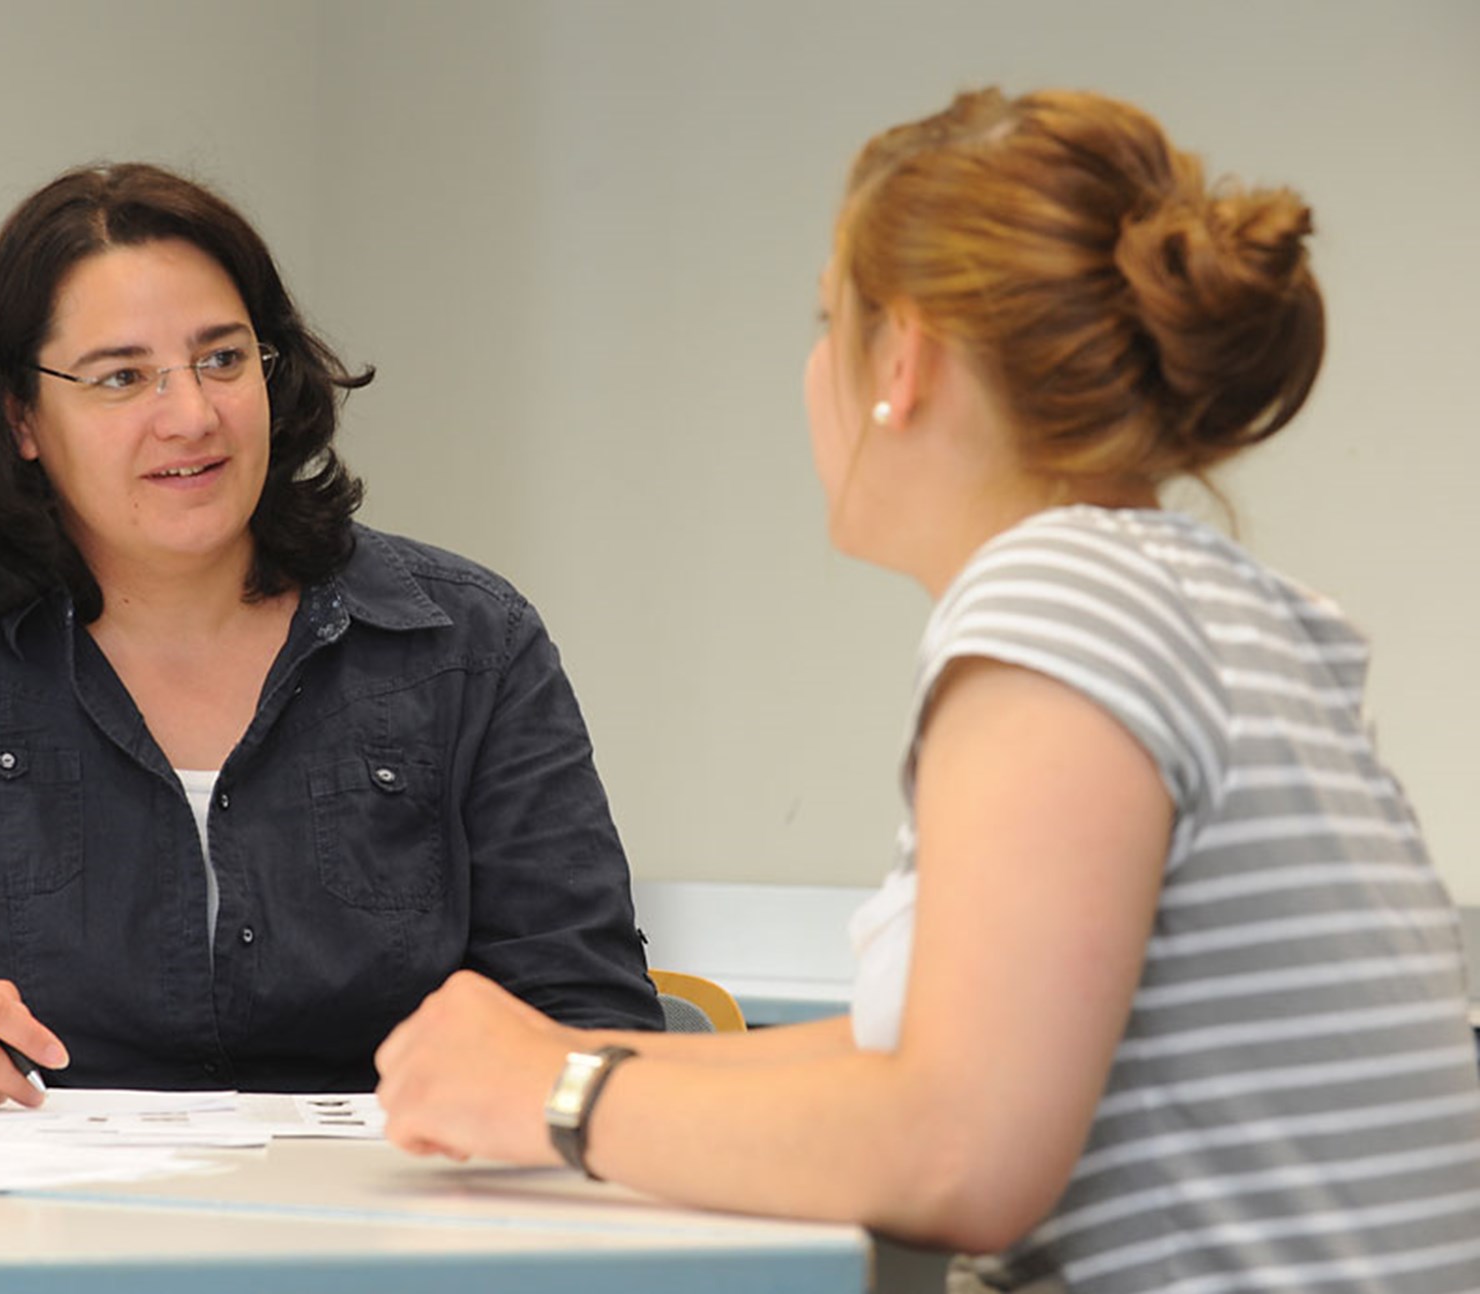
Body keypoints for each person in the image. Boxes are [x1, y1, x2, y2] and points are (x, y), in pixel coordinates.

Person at [373, 88, 1480, 1292]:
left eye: (822, 322)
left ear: (900, 358)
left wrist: (556, 1095)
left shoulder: (1062, 603)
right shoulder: (1211, 602)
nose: (814, 371)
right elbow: (924, 1057)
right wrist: (562, 1052)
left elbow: (962, 1148)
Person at [0, 162, 662, 1112]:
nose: (191, 414)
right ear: (23, 419)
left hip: (390, 1233)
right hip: (29, 1242)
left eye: (221, 358)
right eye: (121, 377)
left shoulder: (464, 642)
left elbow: (589, 1014)